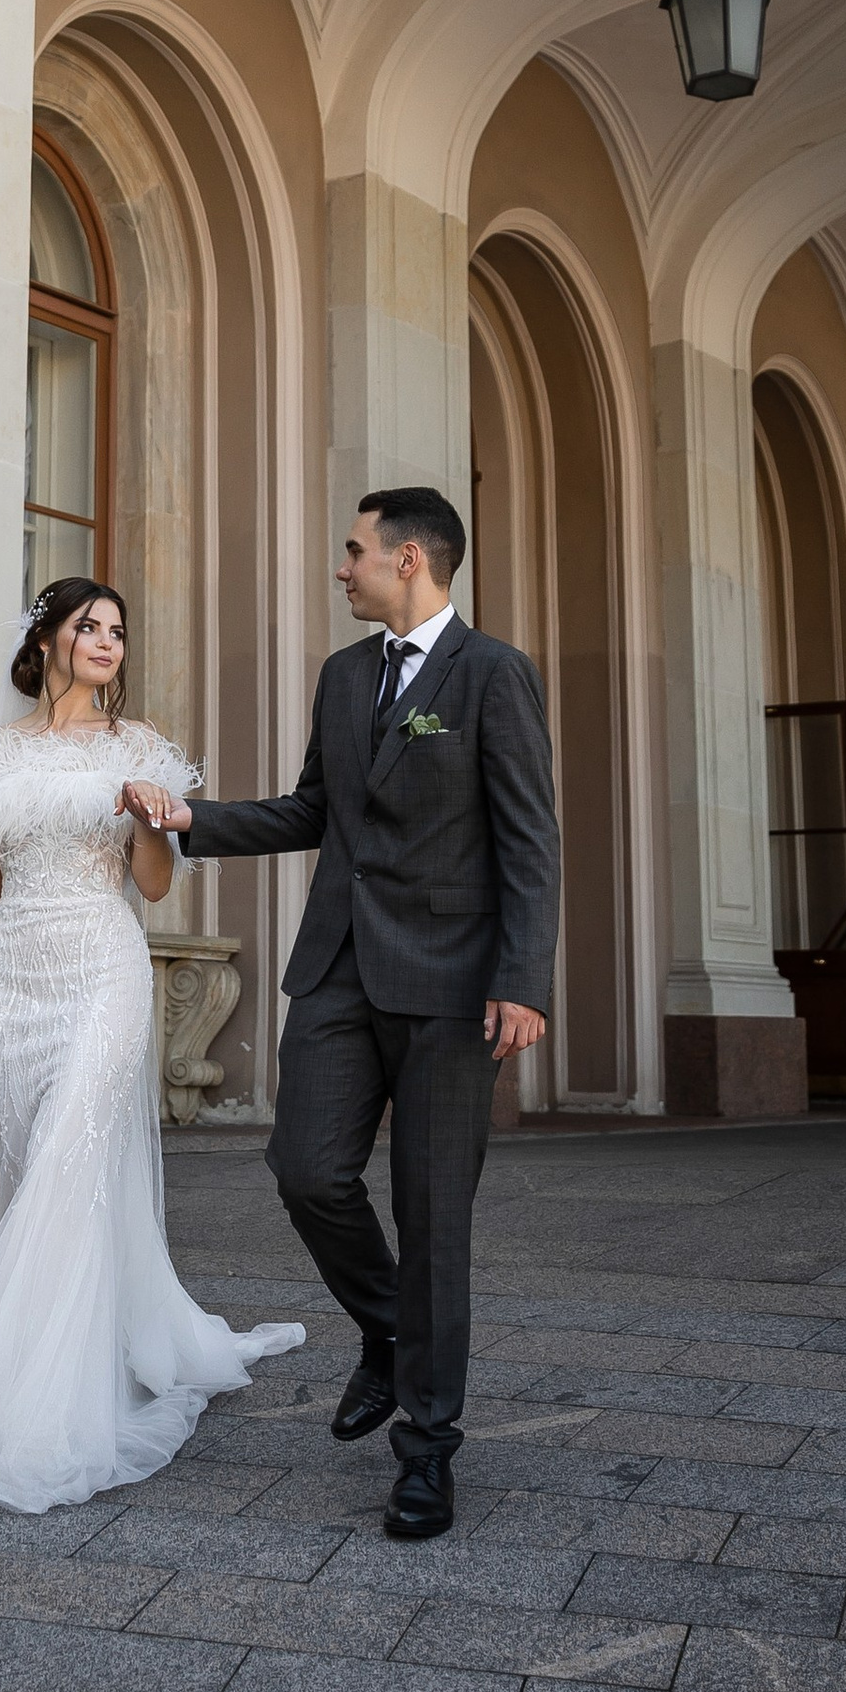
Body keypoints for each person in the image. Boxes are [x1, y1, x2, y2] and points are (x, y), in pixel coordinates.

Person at [121, 489, 558, 1544]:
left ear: (408, 559)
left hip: (455, 991)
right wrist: (191, 819)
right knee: (306, 1170)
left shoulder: (491, 675)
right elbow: (315, 810)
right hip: (338, 974)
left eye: (354, 551)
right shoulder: (344, 676)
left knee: (433, 1215)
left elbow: (529, 838)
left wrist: (524, 979)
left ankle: (426, 1453)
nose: (342, 567)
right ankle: (389, 1324)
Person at [0, 578, 305, 1513]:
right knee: (30, 1162)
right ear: (47, 642)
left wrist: (152, 813)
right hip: (15, 981)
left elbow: (153, 889)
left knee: (69, 1164)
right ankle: (48, 1356)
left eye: (118, 630)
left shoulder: (139, 748)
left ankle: (40, 1407)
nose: (108, 641)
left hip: (103, 971)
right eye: (90, 626)